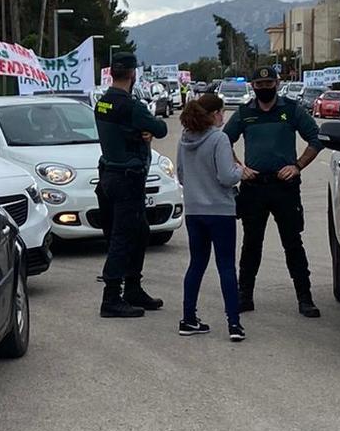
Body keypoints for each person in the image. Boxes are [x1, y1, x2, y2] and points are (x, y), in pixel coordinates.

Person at [225, 63, 323, 317]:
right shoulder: (245, 113)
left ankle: (305, 298)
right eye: (259, 85)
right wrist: (239, 168)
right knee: (251, 245)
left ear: (277, 84)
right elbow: (223, 141)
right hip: (254, 187)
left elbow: (316, 139)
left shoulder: (291, 110)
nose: (264, 88)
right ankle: (244, 296)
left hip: (284, 187)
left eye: (269, 84)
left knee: (293, 244)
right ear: (253, 87)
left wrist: (298, 166)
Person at [92, 50, 168, 319]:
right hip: (128, 179)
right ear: (133, 74)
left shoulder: (102, 103)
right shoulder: (130, 106)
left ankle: (133, 288)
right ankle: (112, 297)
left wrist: (136, 131)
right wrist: (143, 131)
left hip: (110, 175)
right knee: (123, 237)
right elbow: (161, 129)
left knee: (140, 232)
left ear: (112, 72)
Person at [176, 92, 245, 339]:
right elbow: (226, 176)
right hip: (220, 210)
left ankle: (188, 318)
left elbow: (181, 175)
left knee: (196, 264)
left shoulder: (184, 139)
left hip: (195, 210)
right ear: (216, 114)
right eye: (222, 112)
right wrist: (240, 170)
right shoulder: (219, 139)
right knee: (226, 265)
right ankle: (234, 323)